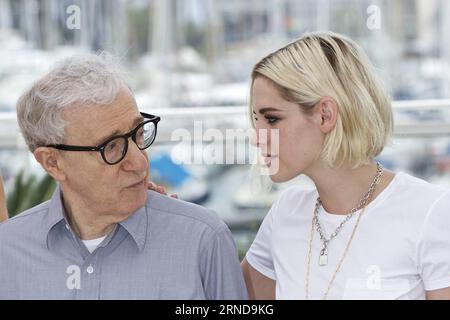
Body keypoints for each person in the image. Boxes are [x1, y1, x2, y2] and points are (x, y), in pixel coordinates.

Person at [0, 53, 247, 300]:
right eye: (111, 147)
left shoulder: (203, 240)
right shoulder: (8, 252)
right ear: (52, 162)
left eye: (138, 133)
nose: (139, 161)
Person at [241, 32, 450, 300]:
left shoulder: (430, 212)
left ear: (325, 115)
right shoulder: (285, 214)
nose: (255, 136)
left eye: (271, 119)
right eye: (255, 119)